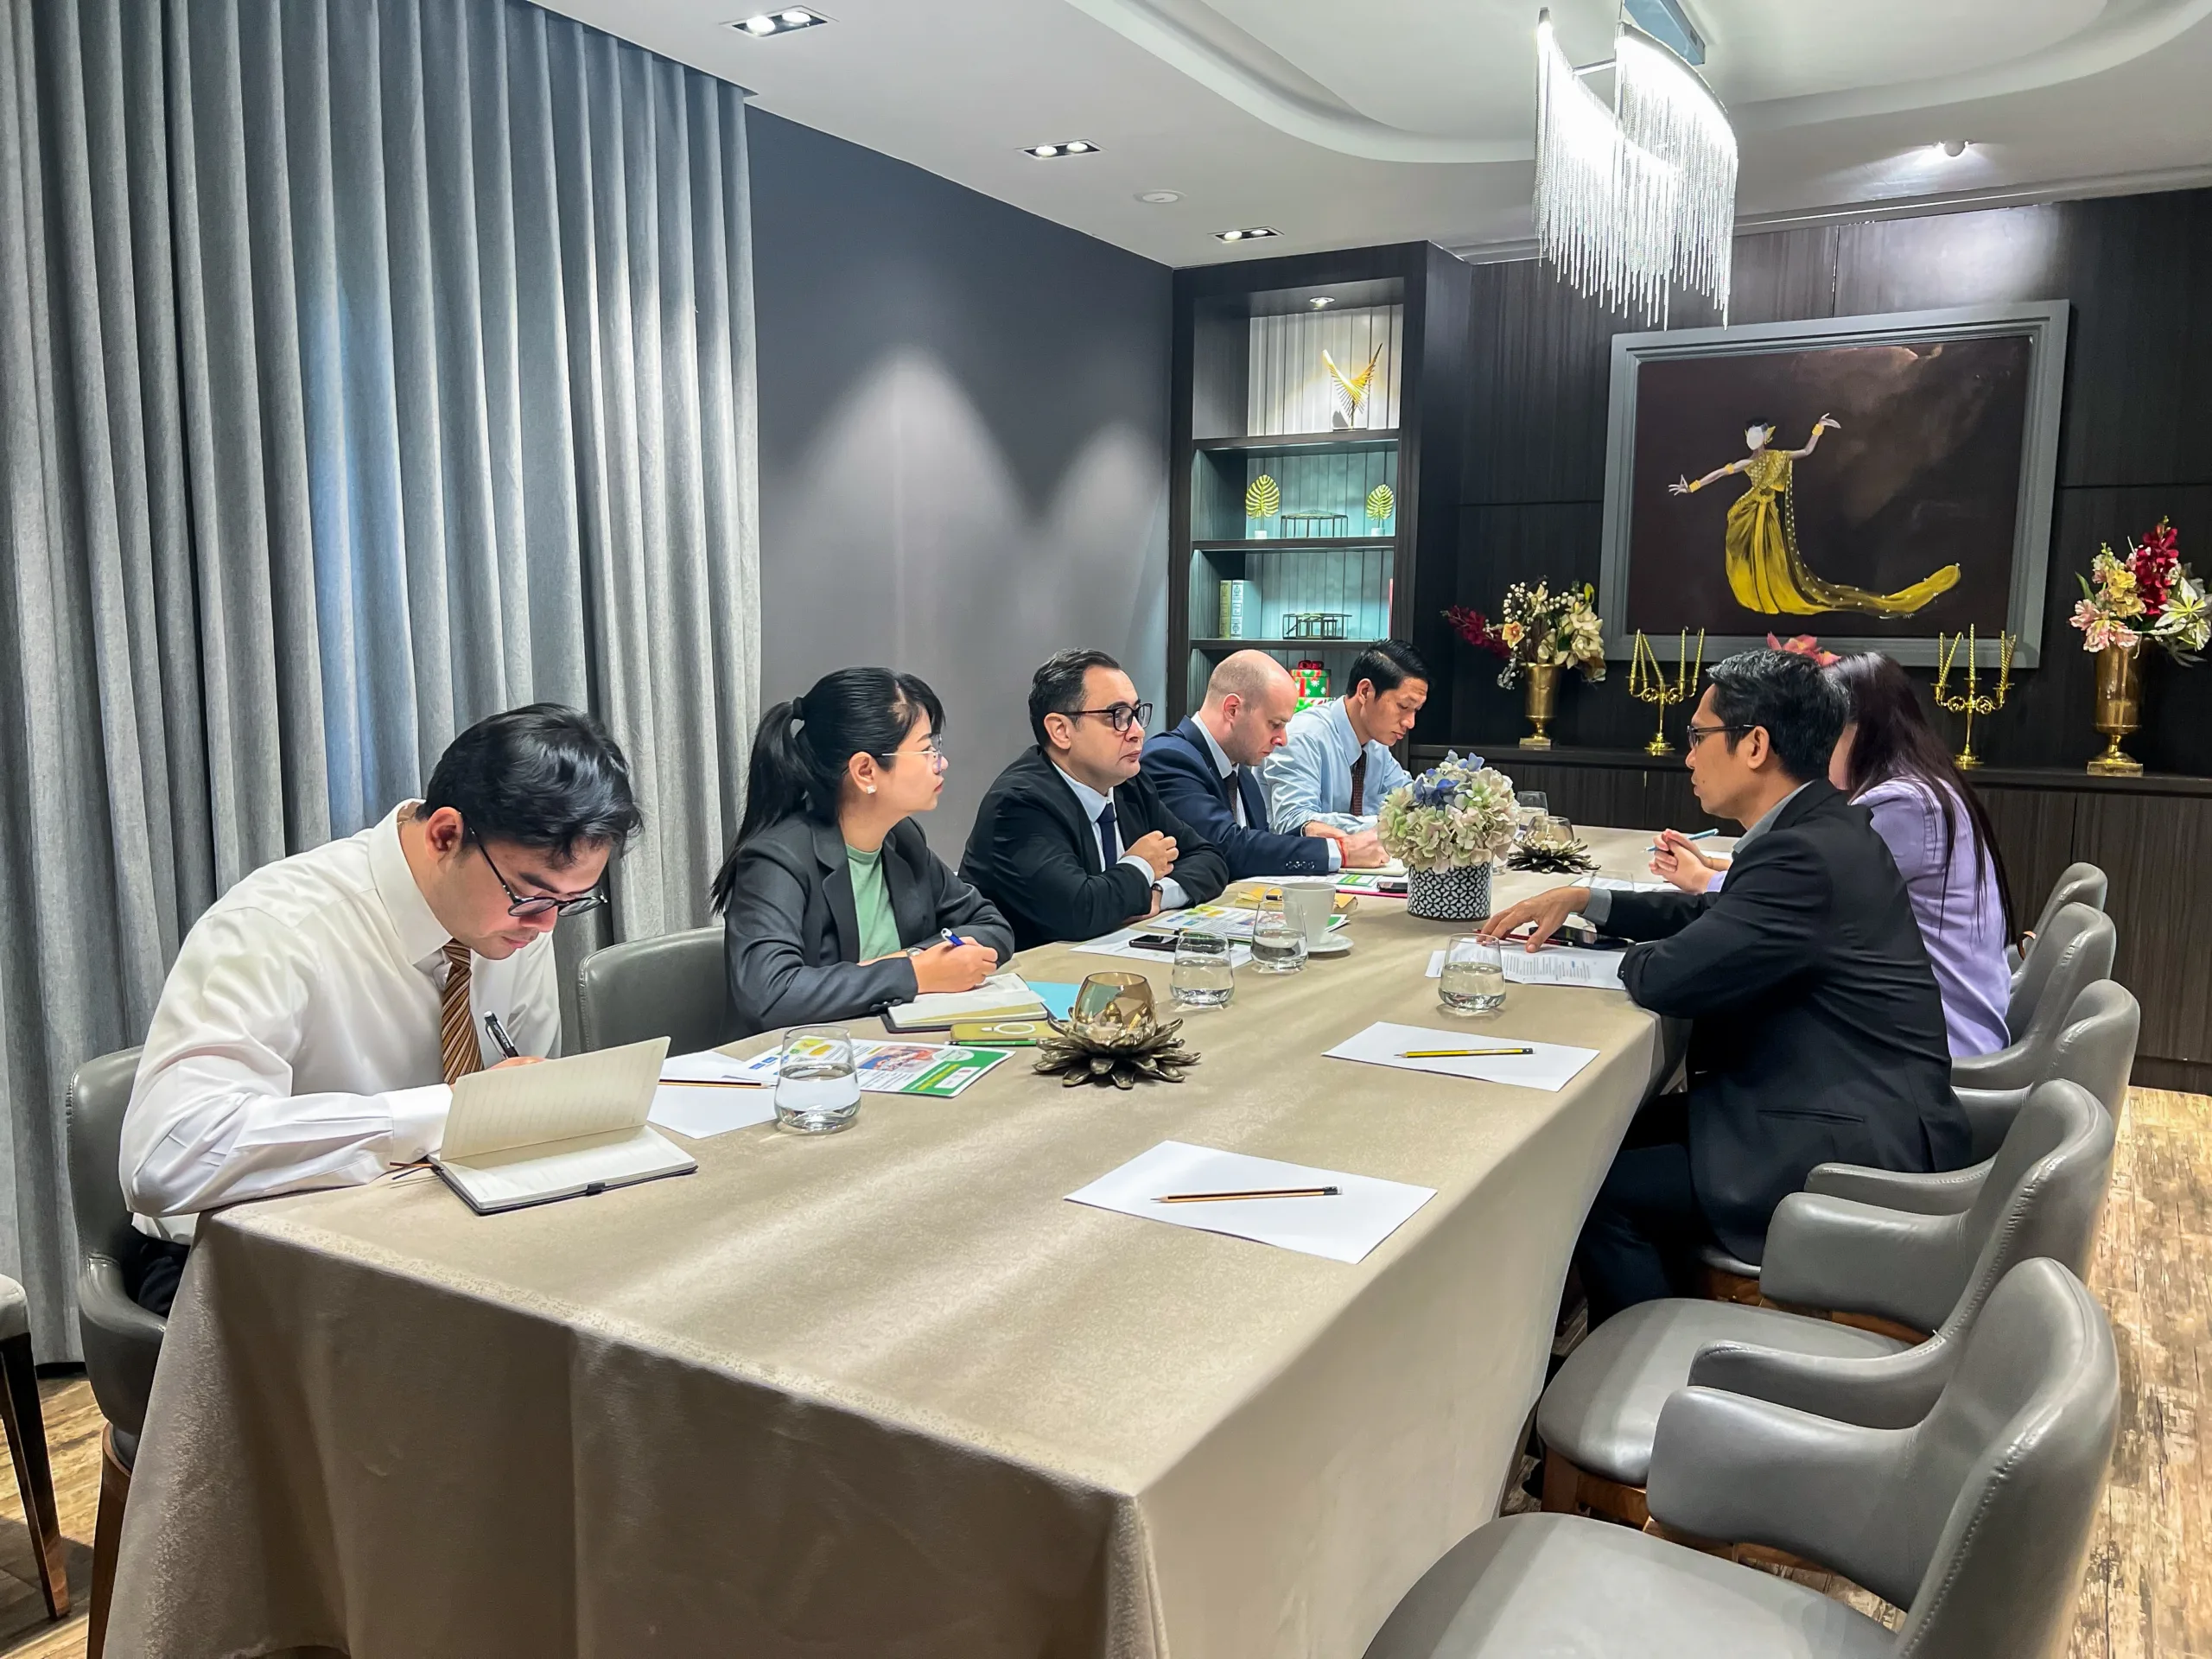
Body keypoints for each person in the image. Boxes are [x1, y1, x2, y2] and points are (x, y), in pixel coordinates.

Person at [1480, 648, 1967, 1324]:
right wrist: (1591, 902)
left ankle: (1650, 1359)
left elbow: (1672, 975)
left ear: (1756, 745)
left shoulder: (1803, 852)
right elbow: (1716, 916)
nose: (1687, 757)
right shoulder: (1819, 826)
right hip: (1833, 1100)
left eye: (1698, 737)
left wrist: (1605, 956)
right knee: (1597, 1134)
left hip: (1844, 1142)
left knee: (1590, 1188)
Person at [120, 704, 642, 1313]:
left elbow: (515, 1107)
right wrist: (444, 1113)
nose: (546, 924)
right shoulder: (276, 925)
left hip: (430, 1236)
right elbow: (168, 1158)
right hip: (237, 1258)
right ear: (445, 835)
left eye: (571, 902)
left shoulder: (515, 923)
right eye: (532, 896)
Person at [1651, 652, 2013, 1059]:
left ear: (1864, 731)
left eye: (1828, 735)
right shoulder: (1923, 788)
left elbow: (1796, 892)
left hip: (1939, 1039)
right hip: (1922, 1020)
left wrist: (1702, 879)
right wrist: (1723, 867)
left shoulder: (1904, 805)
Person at [713, 668, 1015, 1037]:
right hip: (798, 1059)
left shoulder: (902, 839)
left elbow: (992, 926)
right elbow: (771, 996)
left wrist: (914, 960)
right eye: (926, 749)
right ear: (866, 771)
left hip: (884, 1043)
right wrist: (915, 973)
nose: (941, 762)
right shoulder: (777, 859)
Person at [961, 650, 1228, 950]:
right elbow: (1080, 911)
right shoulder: (1020, 804)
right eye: (1118, 717)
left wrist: (1156, 893)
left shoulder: (1129, 784)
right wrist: (1141, 864)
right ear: (1061, 730)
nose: (1138, 732)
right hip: (1036, 971)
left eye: (1136, 714)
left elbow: (1209, 858)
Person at [1669, 416, 1960, 617]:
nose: (1753, 439)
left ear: (1767, 436)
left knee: (1773, 557)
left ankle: (1770, 592)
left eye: (1758, 434)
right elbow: (1721, 472)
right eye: (1750, 435)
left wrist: (1818, 428)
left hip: (1768, 513)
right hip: (1751, 510)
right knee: (1749, 553)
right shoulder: (1746, 462)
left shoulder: (1780, 456)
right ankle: (1757, 593)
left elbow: (1806, 451)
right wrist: (1692, 486)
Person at [1142, 651, 1386, 880]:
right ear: (1232, 709)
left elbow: (1255, 844)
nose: (1283, 739)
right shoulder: (1170, 758)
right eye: (1275, 724)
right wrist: (1339, 852)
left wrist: (1306, 833)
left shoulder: (1242, 774)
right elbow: (1223, 847)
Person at [1262, 639, 1446, 839]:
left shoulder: (1376, 747)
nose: (1410, 722)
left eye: (1415, 710)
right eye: (1403, 706)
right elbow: (1295, 822)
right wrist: (1387, 825)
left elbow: (1410, 799)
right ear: (1365, 691)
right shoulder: (1303, 737)